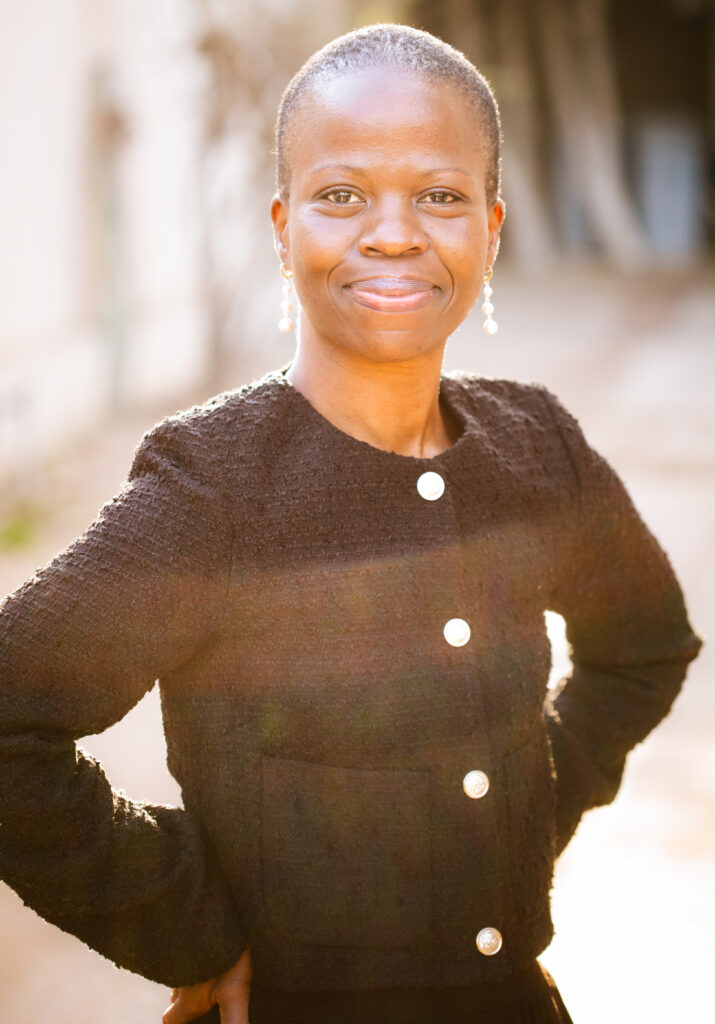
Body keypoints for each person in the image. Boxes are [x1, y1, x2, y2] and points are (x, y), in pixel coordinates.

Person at [0, 23, 702, 1024]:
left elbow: (644, 648)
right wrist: (190, 922)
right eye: (341, 195)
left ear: (490, 230)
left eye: (440, 195)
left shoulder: (535, 449)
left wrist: (524, 811)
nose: (391, 232)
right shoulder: (215, 488)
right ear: (283, 226)